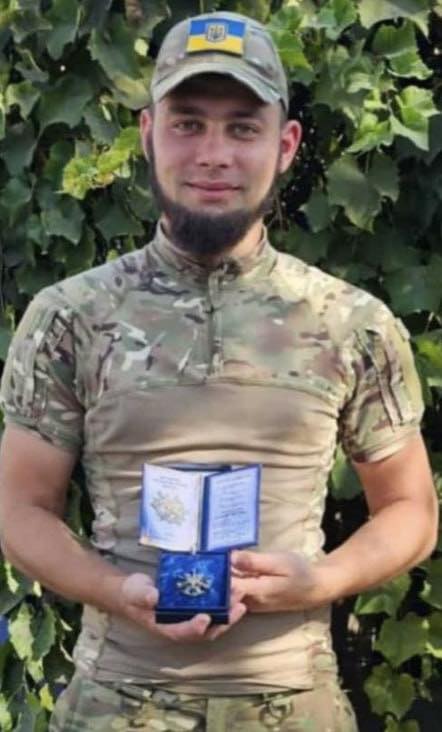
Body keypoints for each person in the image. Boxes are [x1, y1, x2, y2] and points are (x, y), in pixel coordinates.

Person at [0, 10, 438, 732]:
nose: (214, 154)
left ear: (285, 144)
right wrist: (117, 591)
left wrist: (320, 579)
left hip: (295, 705)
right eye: (188, 124)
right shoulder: (70, 317)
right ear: (148, 134)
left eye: (242, 128)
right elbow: (20, 510)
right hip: (115, 704)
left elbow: (411, 510)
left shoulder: (349, 322)